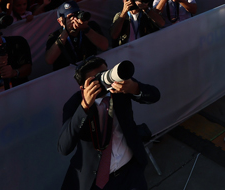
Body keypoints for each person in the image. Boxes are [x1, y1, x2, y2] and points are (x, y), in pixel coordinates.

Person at [58, 56, 160, 190]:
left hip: (131, 172)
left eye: (105, 73)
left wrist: (134, 87)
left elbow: (154, 95)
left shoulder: (118, 87)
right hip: (97, 181)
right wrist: (84, 107)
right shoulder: (74, 105)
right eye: (96, 79)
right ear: (83, 88)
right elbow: (64, 147)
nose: (104, 80)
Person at [45, 1, 109, 71]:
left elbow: (104, 46)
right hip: (66, 75)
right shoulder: (54, 36)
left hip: (91, 69)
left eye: (76, 14)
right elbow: (49, 60)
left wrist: (86, 29)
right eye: (70, 17)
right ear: (60, 21)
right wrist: (66, 32)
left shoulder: (91, 26)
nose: (74, 18)